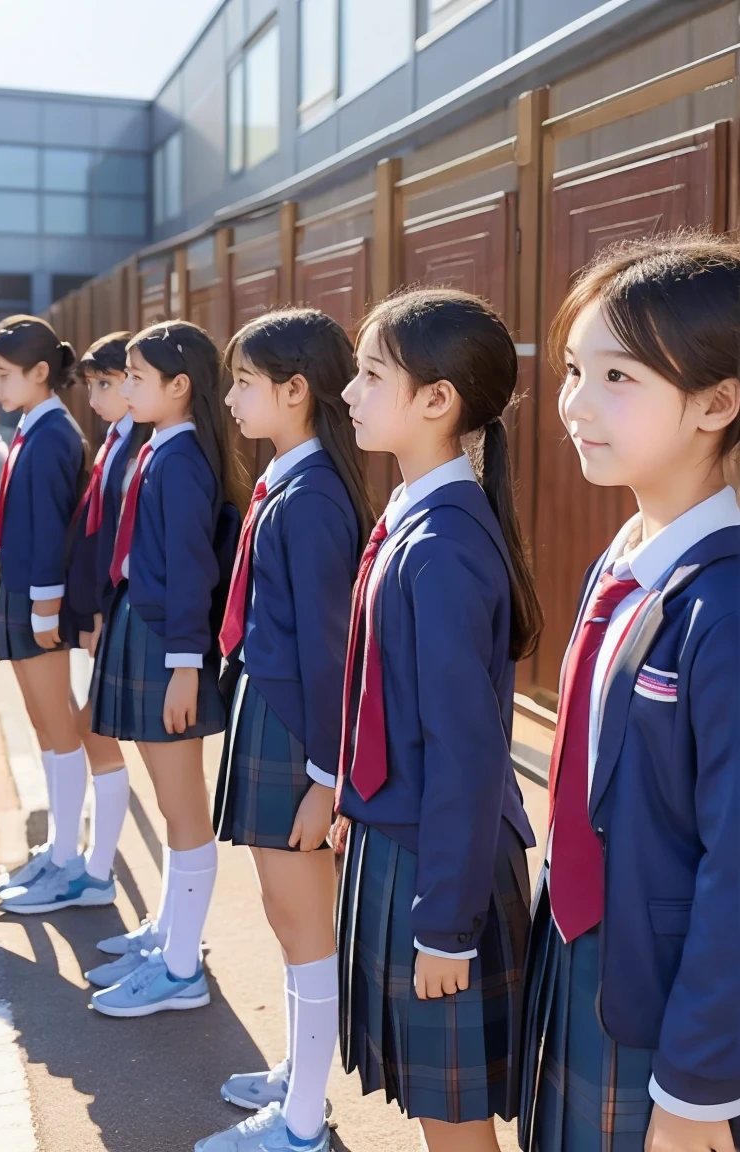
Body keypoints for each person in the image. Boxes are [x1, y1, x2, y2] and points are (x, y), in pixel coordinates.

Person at [519, 235, 740, 1152]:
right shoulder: (626, 557)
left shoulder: (723, 605)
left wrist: (697, 1089)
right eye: (575, 369)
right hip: (586, 954)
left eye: (619, 377)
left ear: (717, 402)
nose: (574, 404)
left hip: (670, 1000)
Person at [334, 289, 542, 1152]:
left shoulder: (444, 541)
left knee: (455, 1127)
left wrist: (445, 925)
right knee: (439, 1115)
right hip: (411, 840)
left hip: (438, 862)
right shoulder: (418, 515)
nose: (347, 393)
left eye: (370, 374)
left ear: (437, 401)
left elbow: (468, 756)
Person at [196, 310, 374, 1152]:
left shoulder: (311, 497)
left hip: (297, 730)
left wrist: (328, 775)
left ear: (297, 391)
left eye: (243, 383)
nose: (228, 400)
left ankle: (303, 1120)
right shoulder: (289, 482)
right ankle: (299, 1075)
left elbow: (332, 651)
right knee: (285, 914)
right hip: (273, 713)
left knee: (302, 922)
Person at [87, 320, 238, 1018]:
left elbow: (190, 571)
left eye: (139, 377)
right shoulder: (159, 446)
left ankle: (182, 969)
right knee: (170, 804)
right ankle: (170, 935)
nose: (128, 387)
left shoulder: (180, 460)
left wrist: (185, 666)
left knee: (183, 812)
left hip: (164, 642)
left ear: (180, 387)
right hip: (142, 629)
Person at [0, 316, 111, 916]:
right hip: (24, 591)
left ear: (39, 374)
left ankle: (66, 859)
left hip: (40, 597)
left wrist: (45, 605)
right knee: (43, 723)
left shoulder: (55, 432)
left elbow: (55, 528)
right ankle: (58, 852)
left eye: (3, 376)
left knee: (59, 727)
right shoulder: (35, 425)